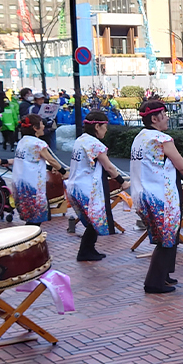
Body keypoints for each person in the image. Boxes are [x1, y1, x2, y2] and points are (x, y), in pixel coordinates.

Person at [131, 101, 183, 294]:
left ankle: (165, 275)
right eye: (164, 115)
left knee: (168, 237)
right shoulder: (161, 138)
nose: (167, 118)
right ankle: (154, 283)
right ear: (155, 118)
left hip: (143, 195)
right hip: (160, 198)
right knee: (166, 238)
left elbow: (167, 166)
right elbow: (182, 164)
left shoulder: (140, 138)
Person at [66, 111, 128, 261]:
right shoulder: (95, 144)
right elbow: (109, 167)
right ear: (97, 126)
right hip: (87, 189)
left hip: (74, 186)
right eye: (104, 127)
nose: (106, 130)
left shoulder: (80, 140)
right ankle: (84, 252)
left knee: (92, 221)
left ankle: (89, 249)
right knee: (95, 221)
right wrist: (122, 181)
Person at [13, 115, 67, 225]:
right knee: (36, 219)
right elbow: (51, 159)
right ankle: (32, 240)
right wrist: (63, 172)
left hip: (20, 184)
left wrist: (50, 168)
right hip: (33, 186)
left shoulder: (22, 141)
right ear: (35, 128)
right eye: (42, 124)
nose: (43, 127)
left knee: (30, 217)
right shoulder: (37, 143)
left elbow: (31, 161)